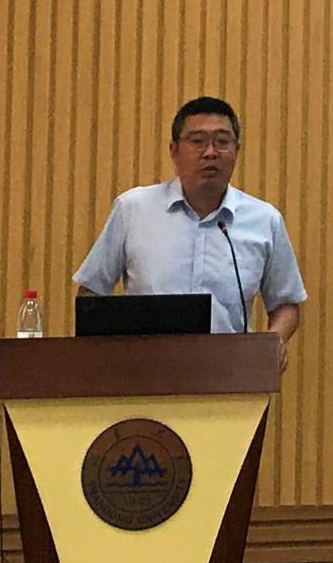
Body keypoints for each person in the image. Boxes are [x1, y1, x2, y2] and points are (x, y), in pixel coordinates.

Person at [74, 96, 305, 368]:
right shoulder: (133, 209)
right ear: (174, 151)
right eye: (197, 141)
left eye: (222, 141)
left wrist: (273, 341)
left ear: (237, 151)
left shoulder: (264, 220)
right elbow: (91, 292)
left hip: (231, 374)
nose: (210, 152)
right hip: (143, 371)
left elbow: (286, 303)